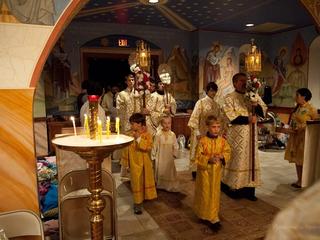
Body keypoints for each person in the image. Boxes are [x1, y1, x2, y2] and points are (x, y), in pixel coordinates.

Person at [221, 73, 267, 201]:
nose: (244, 83)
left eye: (245, 81)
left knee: (251, 160)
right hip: (236, 137)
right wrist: (248, 118)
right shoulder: (229, 98)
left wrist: (256, 105)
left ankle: (249, 189)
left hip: (251, 136)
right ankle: (233, 187)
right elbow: (230, 115)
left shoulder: (253, 95)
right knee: (237, 161)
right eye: (241, 81)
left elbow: (263, 111)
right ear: (234, 83)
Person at [193, 115, 231, 231]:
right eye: (213, 127)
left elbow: (228, 152)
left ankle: (213, 217)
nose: (216, 129)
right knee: (204, 193)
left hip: (216, 173)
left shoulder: (222, 141)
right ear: (208, 127)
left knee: (214, 194)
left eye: (218, 127)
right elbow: (197, 157)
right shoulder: (203, 141)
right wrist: (208, 159)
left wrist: (222, 156)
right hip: (204, 173)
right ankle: (203, 214)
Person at [121, 113, 157, 214]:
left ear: (141, 124)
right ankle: (137, 204)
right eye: (131, 123)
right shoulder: (129, 135)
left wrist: (138, 138)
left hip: (145, 163)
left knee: (145, 181)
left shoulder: (147, 135)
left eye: (133, 124)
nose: (131, 126)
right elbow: (125, 150)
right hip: (134, 164)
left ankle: (144, 197)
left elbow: (149, 148)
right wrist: (126, 164)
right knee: (136, 183)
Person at [188, 82, 225, 179]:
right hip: (201, 131)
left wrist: (219, 131)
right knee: (199, 151)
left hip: (212, 133)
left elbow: (219, 119)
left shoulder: (216, 105)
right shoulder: (200, 102)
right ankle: (195, 173)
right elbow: (194, 118)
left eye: (215, 91)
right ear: (207, 91)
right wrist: (197, 132)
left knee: (210, 151)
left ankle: (209, 169)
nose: (213, 93)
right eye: (211, 90)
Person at [284, 88, 317, 188]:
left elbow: (315, 124)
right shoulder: (297, 108)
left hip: (305, 138)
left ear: (304, 97)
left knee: (304, 159)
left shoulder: (311, 109)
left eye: (297, 95)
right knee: (297, 159)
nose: (295, 97)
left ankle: (306, 180)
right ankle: (299, 180)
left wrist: (302, 127)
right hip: (295, 137)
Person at [152, 116, 180, 192]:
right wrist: (153, 156)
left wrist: (175, 154)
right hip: (160, 156)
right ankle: (161, 185)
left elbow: (176, 145)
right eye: (165, 123)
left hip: (169, 157)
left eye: (169, 123)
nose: (167, 125)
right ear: (161, 124)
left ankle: (169, 186)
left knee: (169, 171)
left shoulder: (172, 134)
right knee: (161, 170)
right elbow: (154, 146)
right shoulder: (158, 135)